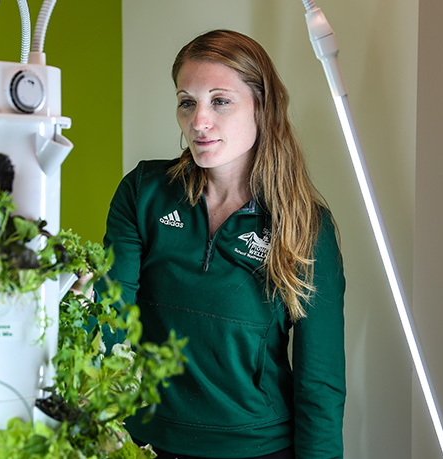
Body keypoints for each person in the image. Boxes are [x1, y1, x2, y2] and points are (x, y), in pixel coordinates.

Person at [98, 29, 346, 459]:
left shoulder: (304, 224)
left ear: (262, 107)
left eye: (220, 101)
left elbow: (319, 383)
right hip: (147, 444)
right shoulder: (144, 192)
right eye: (187, 101)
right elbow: (108, 315)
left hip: (256, 448)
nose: (199, 121)